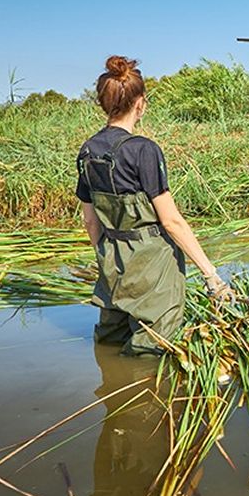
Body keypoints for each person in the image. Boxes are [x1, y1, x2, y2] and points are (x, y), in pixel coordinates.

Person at [76, 55, 231, 356]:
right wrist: (211, 276)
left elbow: (90, 221)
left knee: (109, 340)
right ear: (140, 104)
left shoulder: (88, 151)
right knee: (152, 350)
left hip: (112, 263)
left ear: (103, 104)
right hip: (153, 269)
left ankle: (112, 380)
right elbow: (172, 222)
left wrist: (107, 260)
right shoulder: (144, 150)